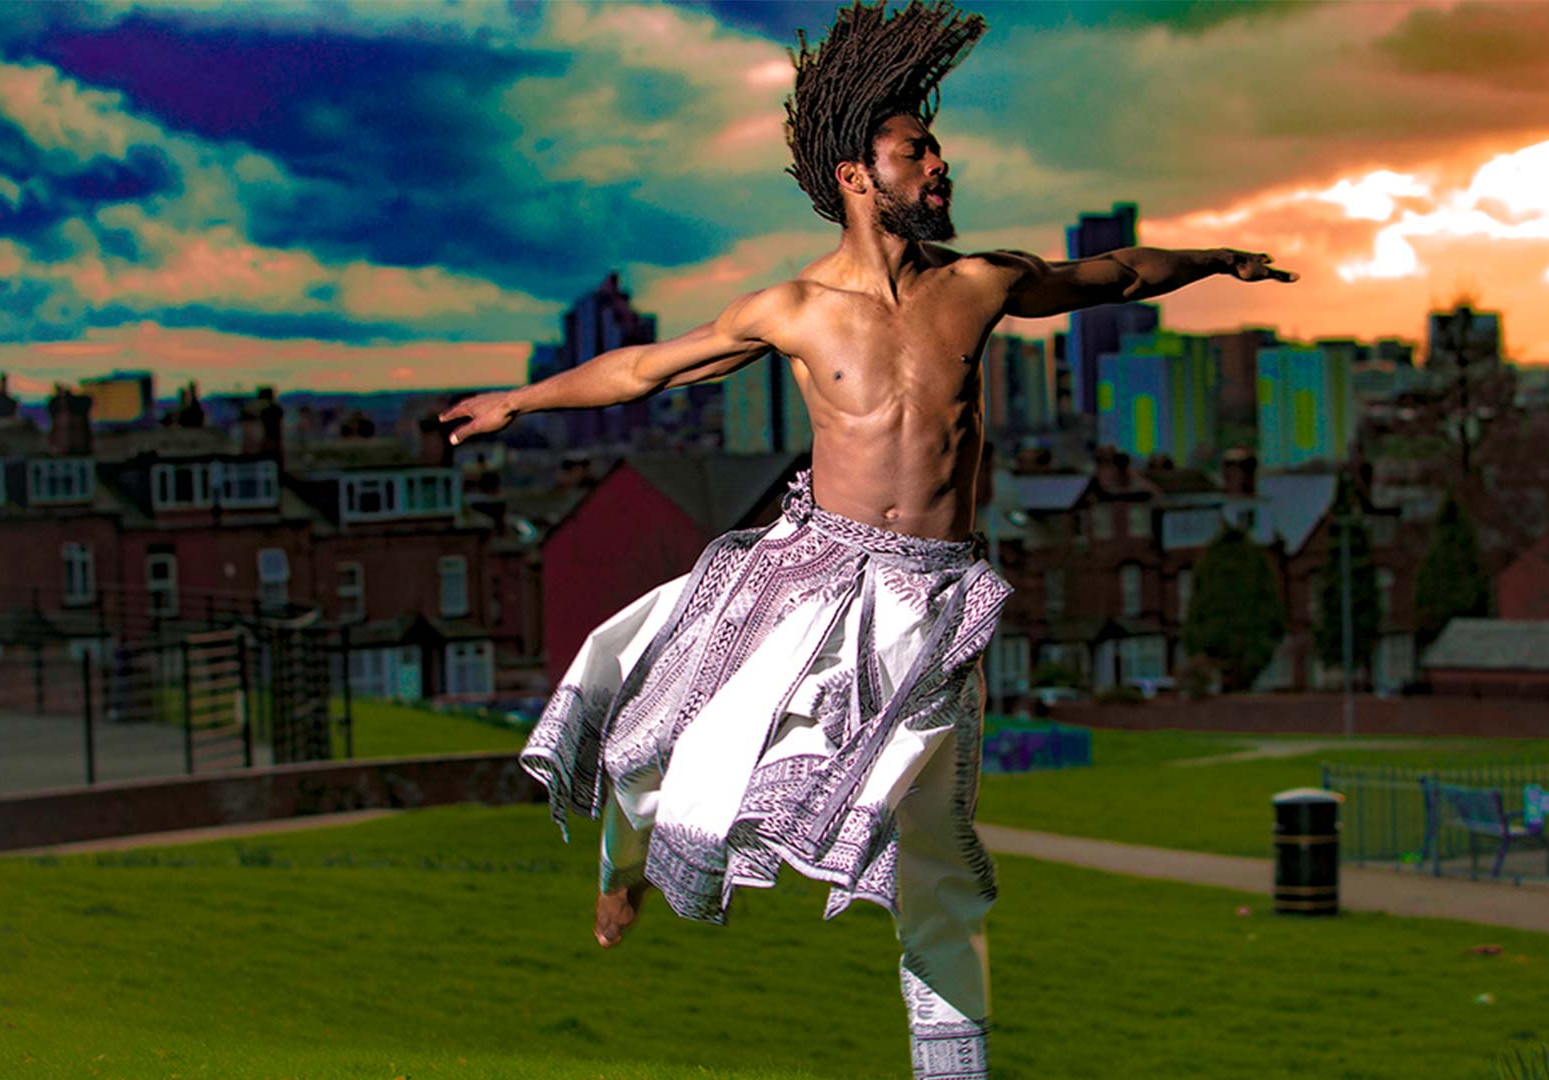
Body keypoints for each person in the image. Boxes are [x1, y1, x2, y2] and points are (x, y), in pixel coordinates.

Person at [441, 2, 1296, 1076]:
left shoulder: (978, 284)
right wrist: (518, 402)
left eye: (935, 147)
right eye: (915, 151)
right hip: (815, 575)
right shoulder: (794, 308)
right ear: (857, 175)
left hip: (935, 598)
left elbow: (1113, 275)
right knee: (678, 740)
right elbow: (641, 370)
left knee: (934, 851)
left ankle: (955, 1064)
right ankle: (623, 868)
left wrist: (1218, 258)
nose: (939, 164)